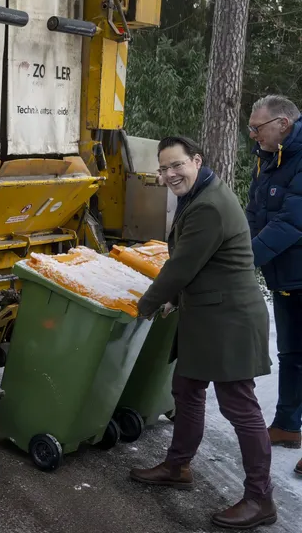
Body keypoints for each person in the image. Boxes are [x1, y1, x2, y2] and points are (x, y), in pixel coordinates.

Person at [130, 136, 276, 530]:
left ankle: (260, 498)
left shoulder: (209, 206)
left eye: (176, 165)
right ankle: (178, 467)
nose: (169, 174)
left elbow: (182, 266)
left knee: (240, 407)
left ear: (196, 160)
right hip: (208, 315)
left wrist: (144, 305)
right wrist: (174, 298)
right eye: (162, 168)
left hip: (229, 321)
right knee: (187, 388)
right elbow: (192, 263)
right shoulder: (201, 192)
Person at [245, 95, 302, 475]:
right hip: (286, 277)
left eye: (257, 127)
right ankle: (287, 425)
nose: (252, 135)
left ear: (282, 124)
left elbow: (291, 222)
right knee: (291, 354)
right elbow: (254, 212)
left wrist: (245, 259)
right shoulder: (270, 160)